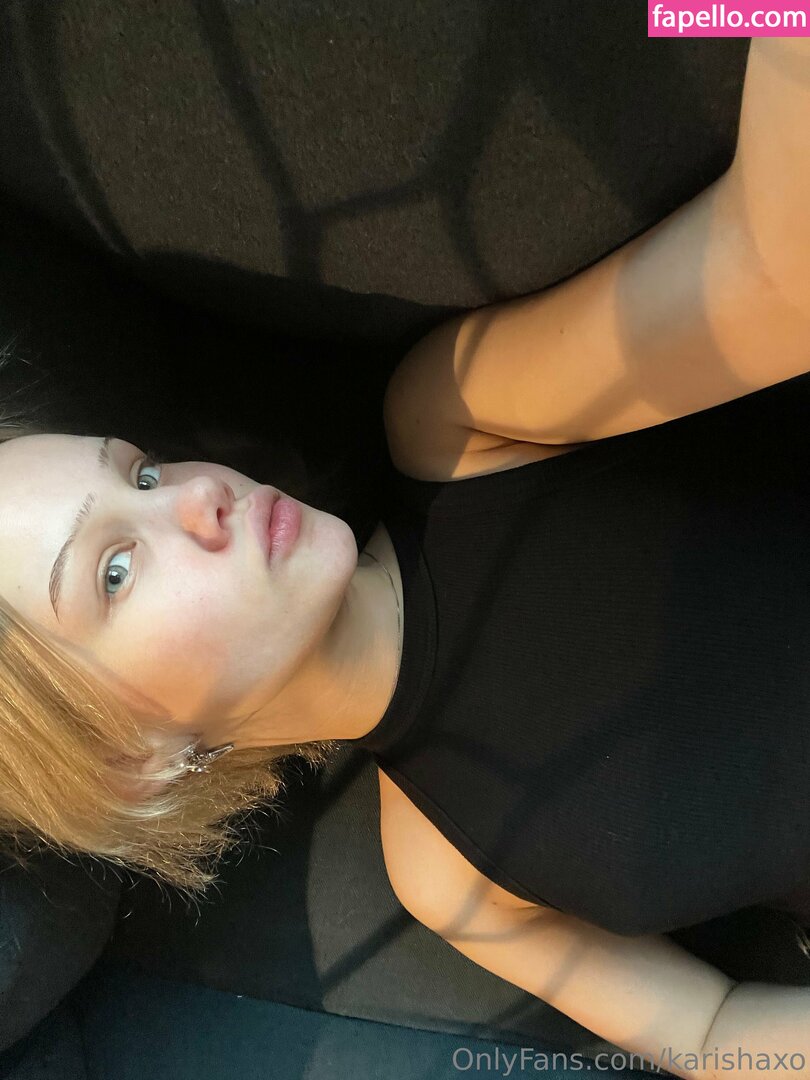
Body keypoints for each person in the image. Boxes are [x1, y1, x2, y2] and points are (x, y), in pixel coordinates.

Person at [2, 33, 810, 1073]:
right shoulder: (443, 878)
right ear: (132, 765)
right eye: (114, 571)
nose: (197, 496)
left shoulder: (454, 425)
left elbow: (771, 275)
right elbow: (712, 1035)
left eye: (141, 474)